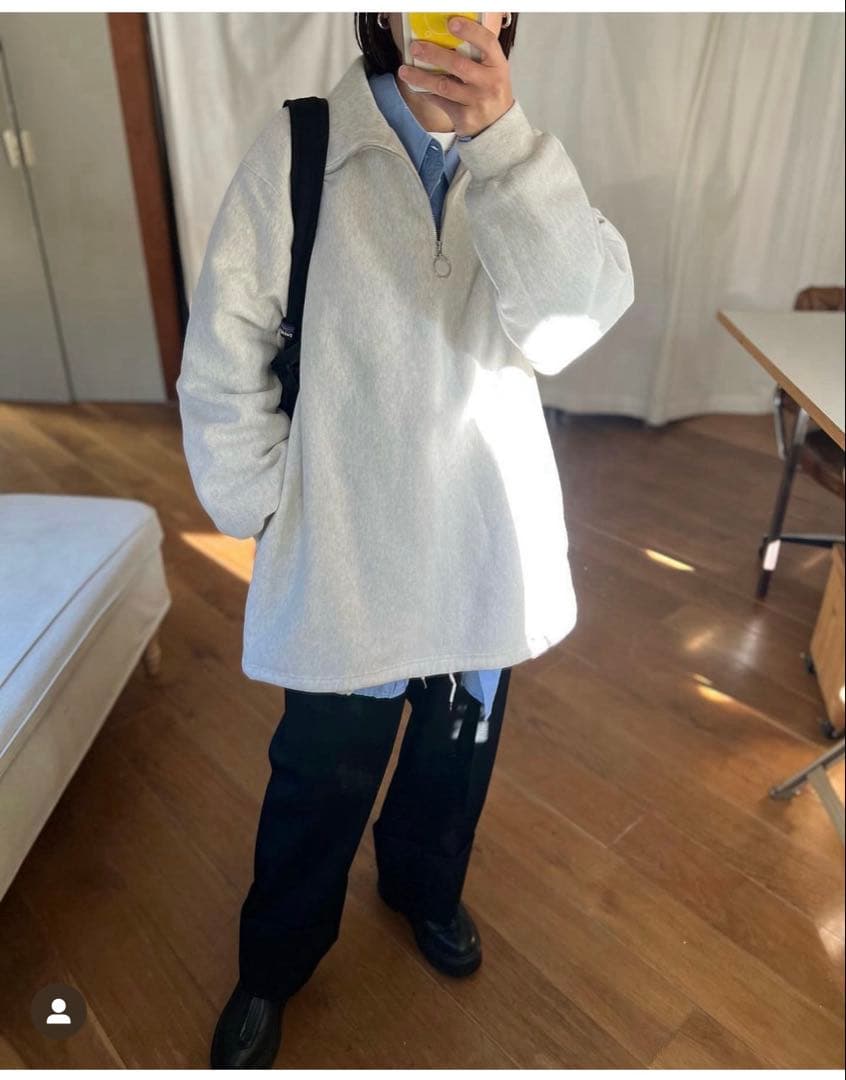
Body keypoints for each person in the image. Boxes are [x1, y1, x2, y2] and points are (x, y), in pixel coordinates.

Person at [176, 11, 634, 1068]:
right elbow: (226, 342)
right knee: (318, 778)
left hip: (482, 541)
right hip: (348, 546)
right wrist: (265, 505)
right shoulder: (302, 145)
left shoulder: (526, 159)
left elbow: (571, 326)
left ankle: (424, 888)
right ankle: (273, 964)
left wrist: (504, 147)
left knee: (453, 762)